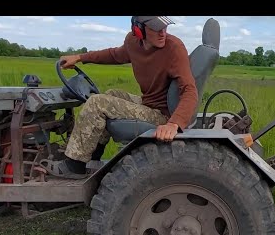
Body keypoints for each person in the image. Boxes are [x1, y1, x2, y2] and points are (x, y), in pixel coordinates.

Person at [40, 16, 198, 179]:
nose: (163, 33)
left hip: (162, 114)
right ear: (139, 30)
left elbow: (189, 90)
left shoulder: (174, 48)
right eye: (156, 28)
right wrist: (80, 57)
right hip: (149, 104)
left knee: (97, 102)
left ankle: (74, 165)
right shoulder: (132, 43)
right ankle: (94, 156)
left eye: (165, 27)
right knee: (111, 94)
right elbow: (114, 55)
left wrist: (174, 124)